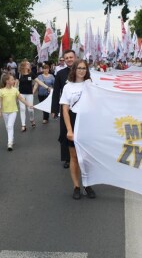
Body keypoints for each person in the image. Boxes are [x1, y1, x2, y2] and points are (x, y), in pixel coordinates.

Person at [60, 59, 96, 200]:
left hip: (87, 122)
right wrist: (69, 130)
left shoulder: (90, 85)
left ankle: (88, 184)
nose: (82, 70)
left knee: (86, 158)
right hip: (73, 121)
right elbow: (65, 110)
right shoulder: (68, 87)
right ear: (74, 69)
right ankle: (76, 186)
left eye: (84, 68)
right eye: (79, 68)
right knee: (74, 157)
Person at [52, 50, 76, 169]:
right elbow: (56, 93)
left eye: (71, 57)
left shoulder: (82, 72)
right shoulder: (60, 74)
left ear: (75, 58)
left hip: (81, 109)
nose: (69, 59)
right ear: (64, 60)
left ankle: (81, 157)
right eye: (66, 58)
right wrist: (54, 109)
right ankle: (67, 158)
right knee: (65, 132)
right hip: (65, 108)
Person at [0, 73, 34, 151]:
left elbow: (21, 99)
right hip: (5, 111)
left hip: (13, 111)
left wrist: (28, 105)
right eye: (12, 80)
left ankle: (9, 143)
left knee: (10, 126)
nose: (14, 81)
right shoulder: (1, 91)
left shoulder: (15, 90)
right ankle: (12, 138)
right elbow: (0, 102)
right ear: (7, 81)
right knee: (7, 127)